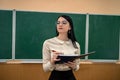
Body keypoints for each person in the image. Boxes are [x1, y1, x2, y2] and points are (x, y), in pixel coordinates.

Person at [42, 15, 81, 80]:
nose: (60, 25)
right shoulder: (48, 43)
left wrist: (74, 66)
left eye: (64, 23)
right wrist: (52, 62)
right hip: (55, 76)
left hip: (70, 76)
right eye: (58, 23)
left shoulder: (76, 44)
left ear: (70, 27)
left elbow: (77, 67)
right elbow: (45, 69)